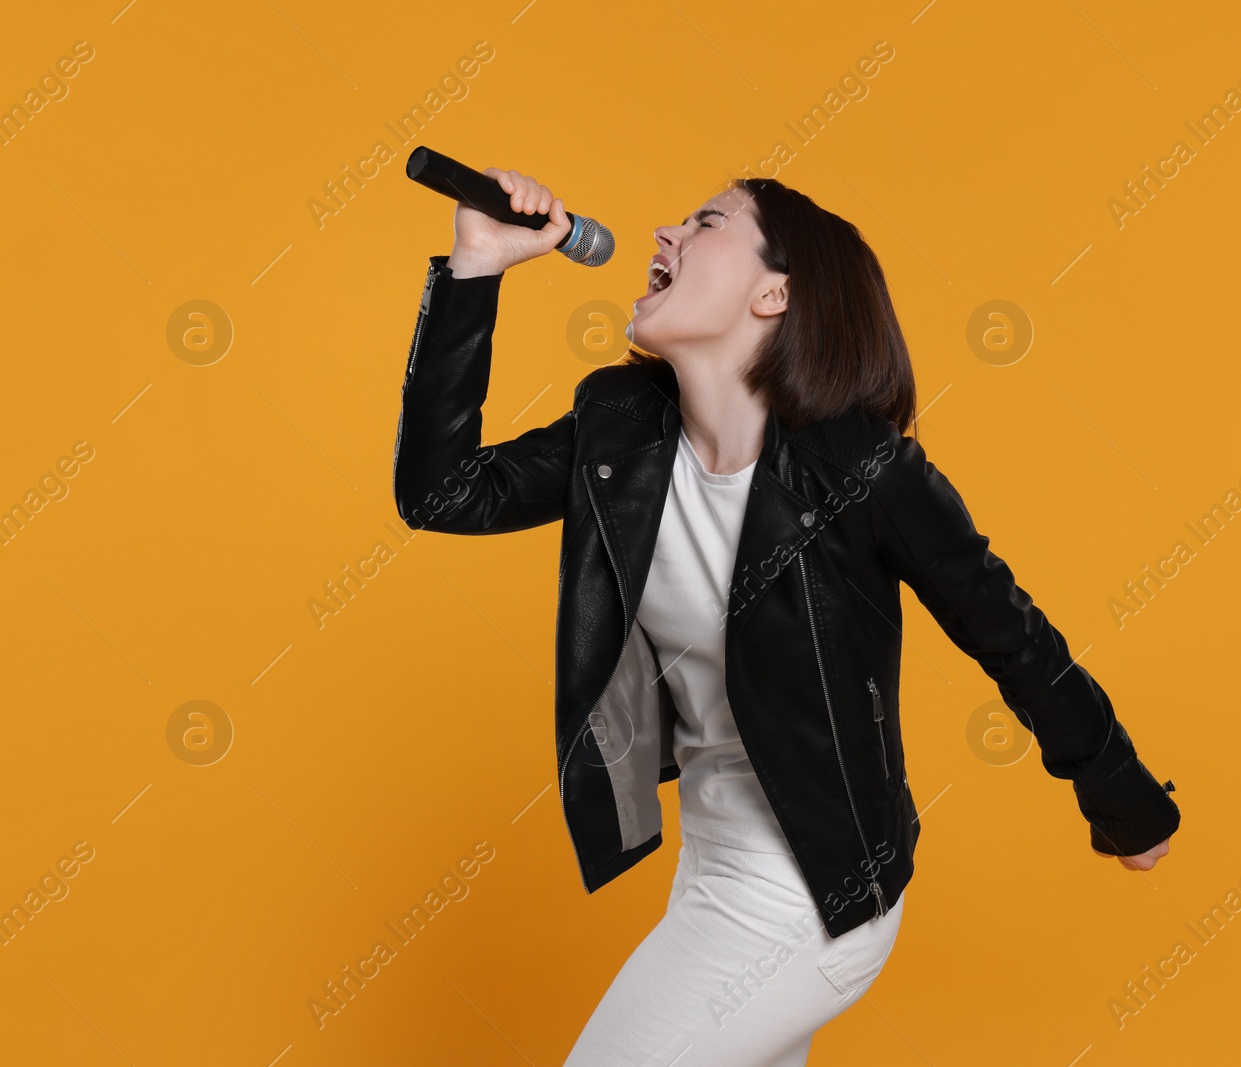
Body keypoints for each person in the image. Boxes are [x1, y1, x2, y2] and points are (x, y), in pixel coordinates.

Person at [393, 167, 1180, 1065]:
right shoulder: (621, 432)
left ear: (776, 293)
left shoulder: (862, 471)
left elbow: (1010, 636)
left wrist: (1125, 803)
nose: (664, 232)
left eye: (707, 221)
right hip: (710, 872)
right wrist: (477, 266)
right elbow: (443, 493)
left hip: (815, 897)